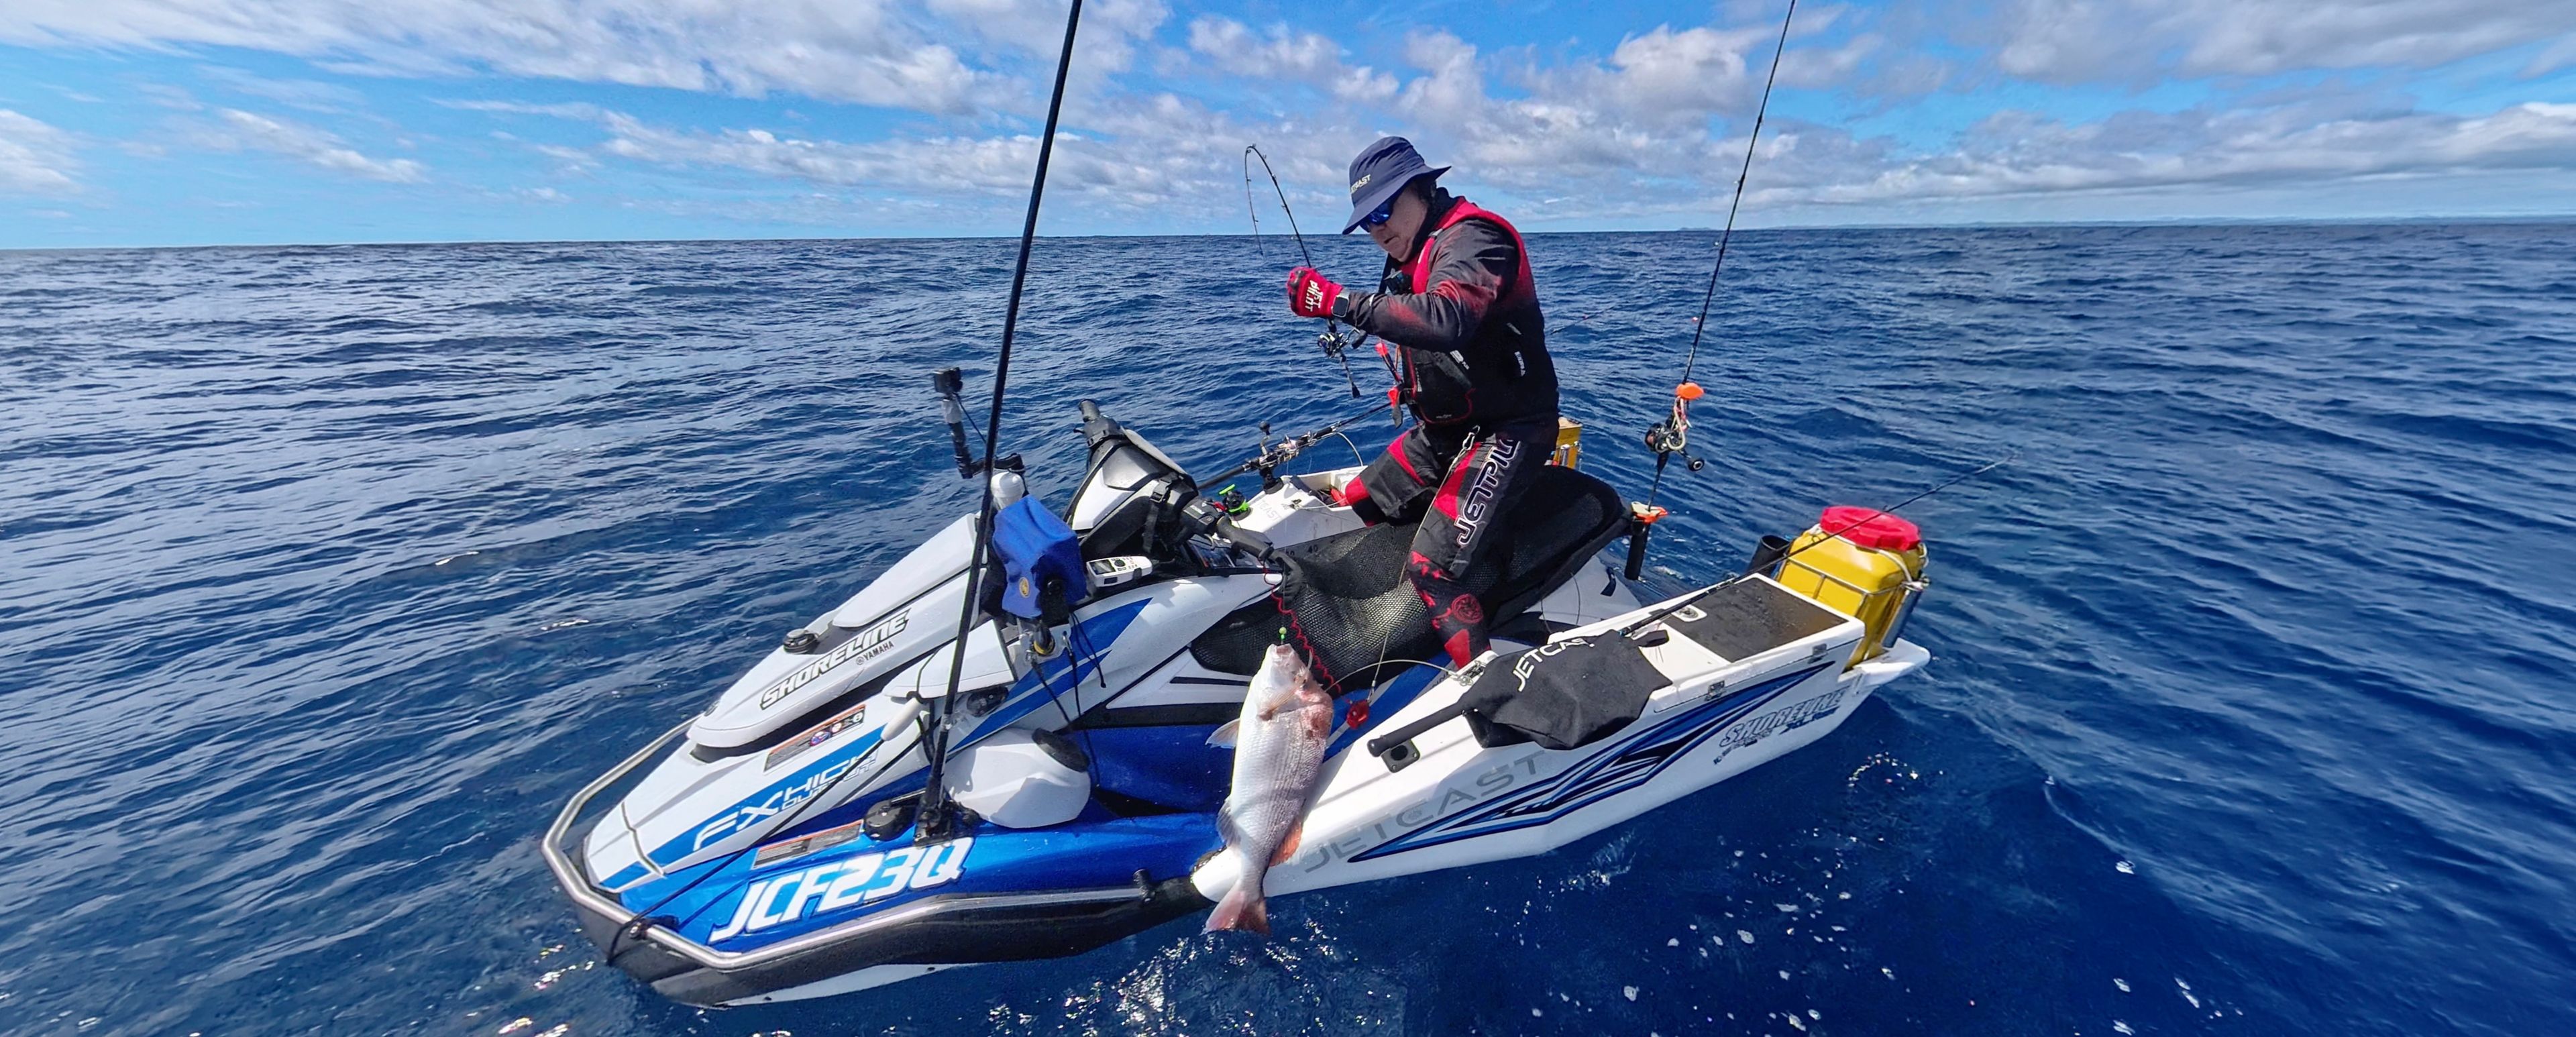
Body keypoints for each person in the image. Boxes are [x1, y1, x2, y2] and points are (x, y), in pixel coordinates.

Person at [1282, 136, 1558, 669]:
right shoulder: (1413, 250)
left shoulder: (1476, 238)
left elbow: (1446, 318)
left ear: (1424, 190)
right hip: (1448, 432)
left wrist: (1335, 300)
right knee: (1354, 502)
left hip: (1511, 428)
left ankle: (1486, 686)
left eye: (1387, 209)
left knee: (1433, 568)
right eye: (1368, 220)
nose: (1379, 228)